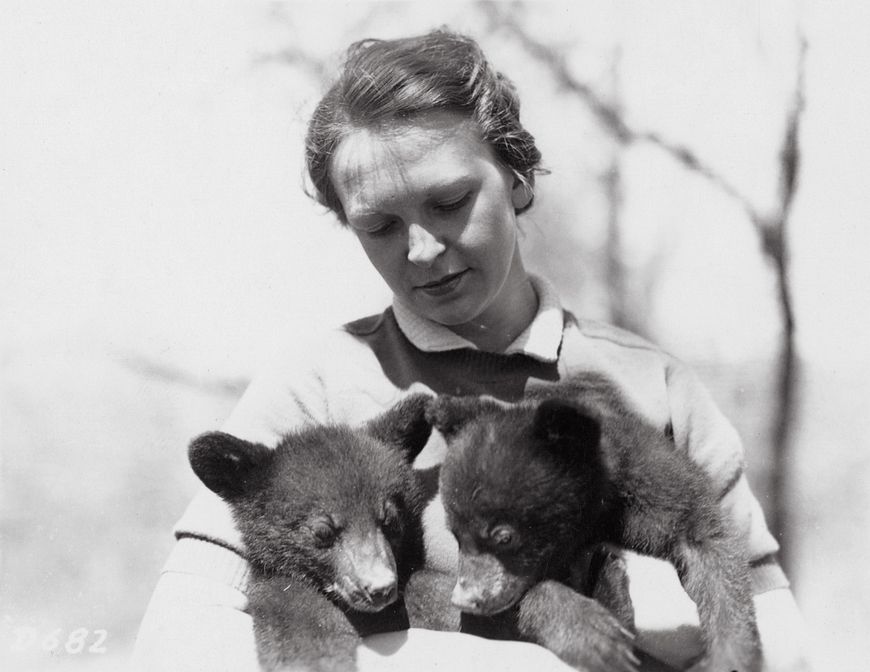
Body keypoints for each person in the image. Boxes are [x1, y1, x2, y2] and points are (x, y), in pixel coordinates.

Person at [131, 29, 811, 671]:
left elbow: (773, 628)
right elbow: (180, 637)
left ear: (515, 176)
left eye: (450, 201)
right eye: (380, 225)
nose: (421, 249)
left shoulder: (648, 384)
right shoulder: (315, 387)